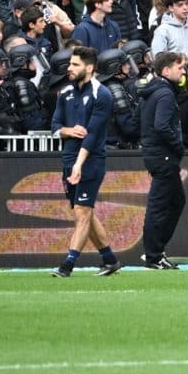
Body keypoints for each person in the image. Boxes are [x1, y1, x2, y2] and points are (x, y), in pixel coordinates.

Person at [50, 45, 120, 278]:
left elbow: (93, 135)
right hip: (69, 159)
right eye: (70, 64)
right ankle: (109, 259)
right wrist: (69, 131)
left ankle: (68, 264)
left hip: (91, 161)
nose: (69, 68)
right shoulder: (65, 93)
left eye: (75, 64)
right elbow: (55, 127)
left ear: (89, 68)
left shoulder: (103, 94)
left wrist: (79, 165)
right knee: (84, 212)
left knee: (82, 212)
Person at [137, 49, 188, 269]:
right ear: (166, 70)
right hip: (164, 155)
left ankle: (156, 251)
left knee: (175, 201)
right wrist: (178, 146)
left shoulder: (152, 92)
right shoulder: (165, 94)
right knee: (159, 206)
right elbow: (162, 125)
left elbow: (138, 121)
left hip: (155, 154)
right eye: (179, 67)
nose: (183, 71)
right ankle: (153, 255)